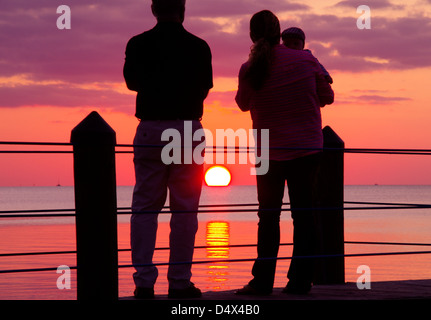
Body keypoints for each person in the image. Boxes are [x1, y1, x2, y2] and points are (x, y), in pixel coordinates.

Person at [235, 10, 334, 295]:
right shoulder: (307, 59)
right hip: (306, 149)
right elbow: (327, 96)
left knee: (268, 216)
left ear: (253, 36)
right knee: (304, 215)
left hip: (268, 152)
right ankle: (300, 281)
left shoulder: (249, 68)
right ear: (280, 34)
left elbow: (242, 104)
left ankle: (263, 281)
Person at [123, 0, 213, 299]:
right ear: (182, 9)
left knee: (145, 208)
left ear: (154, 9)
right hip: (187, 128)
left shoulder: (138, 43)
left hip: (151, 127)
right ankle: (179, 282)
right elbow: (204, 88)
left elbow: (131, 83)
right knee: (185, 210)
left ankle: (144, 282)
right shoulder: (199, 47)